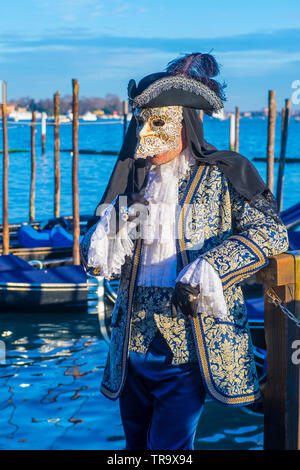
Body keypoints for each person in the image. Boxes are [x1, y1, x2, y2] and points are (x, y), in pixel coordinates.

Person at [80, 52, 289, 450]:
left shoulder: (224, 174)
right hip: (132, 349)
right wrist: (103, 235)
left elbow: (271, 232)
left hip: (190, 348)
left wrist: (213, 265)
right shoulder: (134, 182)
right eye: (141, 124)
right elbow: (99, 255)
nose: (145, 137)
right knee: (135, 447)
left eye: (158, 124)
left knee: (170, 449)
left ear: (185, 124)